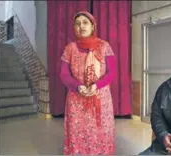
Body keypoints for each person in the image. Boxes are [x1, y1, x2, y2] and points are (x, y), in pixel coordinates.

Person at [60, 11, 116, 155]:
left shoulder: (104, 46)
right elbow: (64, 74)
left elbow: (112, 73)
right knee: (77, 133)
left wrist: (96, 85)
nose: (81, 26)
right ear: (74, 28)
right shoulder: (69, 48)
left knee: (100, 132)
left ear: (92, 26)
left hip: (100, 99)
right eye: (77, 24)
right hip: (76, 100)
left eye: (85, 23)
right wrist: (78, 86)